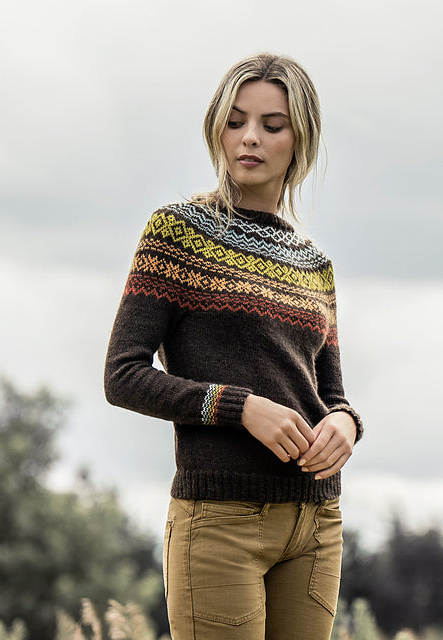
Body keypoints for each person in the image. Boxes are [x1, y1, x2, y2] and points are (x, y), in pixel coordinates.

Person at [104, 52, 363, 640]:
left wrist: (347, 424)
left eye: (272, 125)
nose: (250, 138)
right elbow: (122, 374)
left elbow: (331, 394)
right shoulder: (178, 234)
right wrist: (238, 406)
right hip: (219, 521)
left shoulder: (314, 265)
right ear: (216, 128)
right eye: (236, 121)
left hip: (316, 523)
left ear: (300, 140)